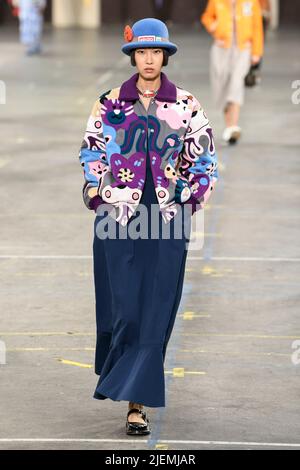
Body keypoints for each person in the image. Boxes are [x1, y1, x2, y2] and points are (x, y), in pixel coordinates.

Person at [78, 18, 218, 436]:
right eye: (142, 51)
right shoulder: (109, 102)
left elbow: (206, 156)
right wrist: (98, 195)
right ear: (133, 55)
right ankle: (122, 378)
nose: (149, 59)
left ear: (165, 55)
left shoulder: (186, 104)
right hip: (118, 218)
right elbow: (91, 149)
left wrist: (191, 195)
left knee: (155, 309)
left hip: (168, 219)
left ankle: (136, 405)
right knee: (123, 306)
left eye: (156, 51)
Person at [201, 0, 264, 144]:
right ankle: (229, 126)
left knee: (236, 84)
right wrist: (213, 26)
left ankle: (233, 126)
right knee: (222, 87)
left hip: (243, 50)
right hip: (221, 48)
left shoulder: (251, 2)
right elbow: (207, 17)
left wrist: (257, 52)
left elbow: (257, 27)